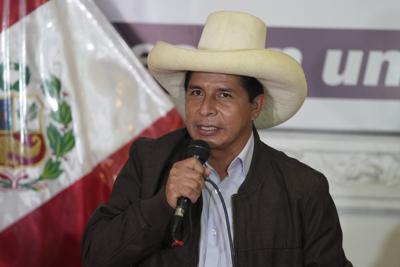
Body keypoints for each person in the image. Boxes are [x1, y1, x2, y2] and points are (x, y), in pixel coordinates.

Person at [81, 11, 352, 267]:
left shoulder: (302, 188)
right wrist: (162, 204)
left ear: (255, 106)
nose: (205, 108)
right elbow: (96, 256)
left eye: (224, 95)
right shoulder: (149, 162)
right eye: (196, 92)